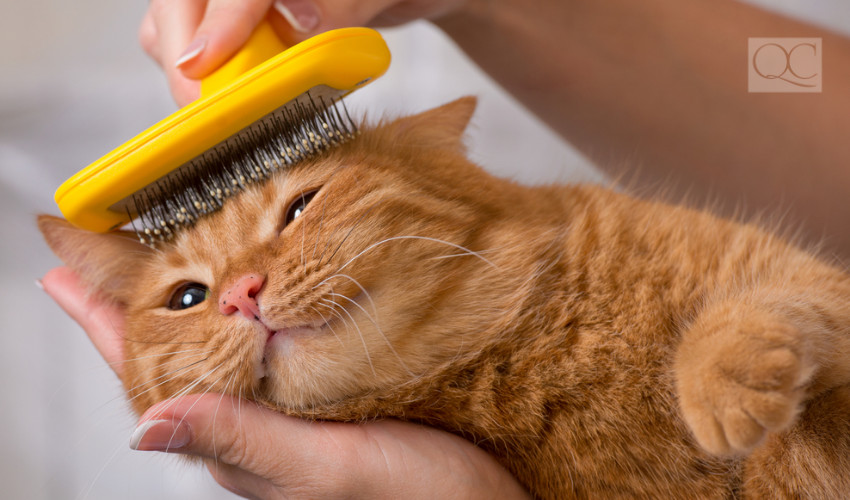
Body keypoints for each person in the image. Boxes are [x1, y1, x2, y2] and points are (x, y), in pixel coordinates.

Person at [42, 0, 850, 497]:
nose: (244, 292)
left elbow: (802, 89)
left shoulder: (598, 246)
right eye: (187, 297)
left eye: (298, 211)